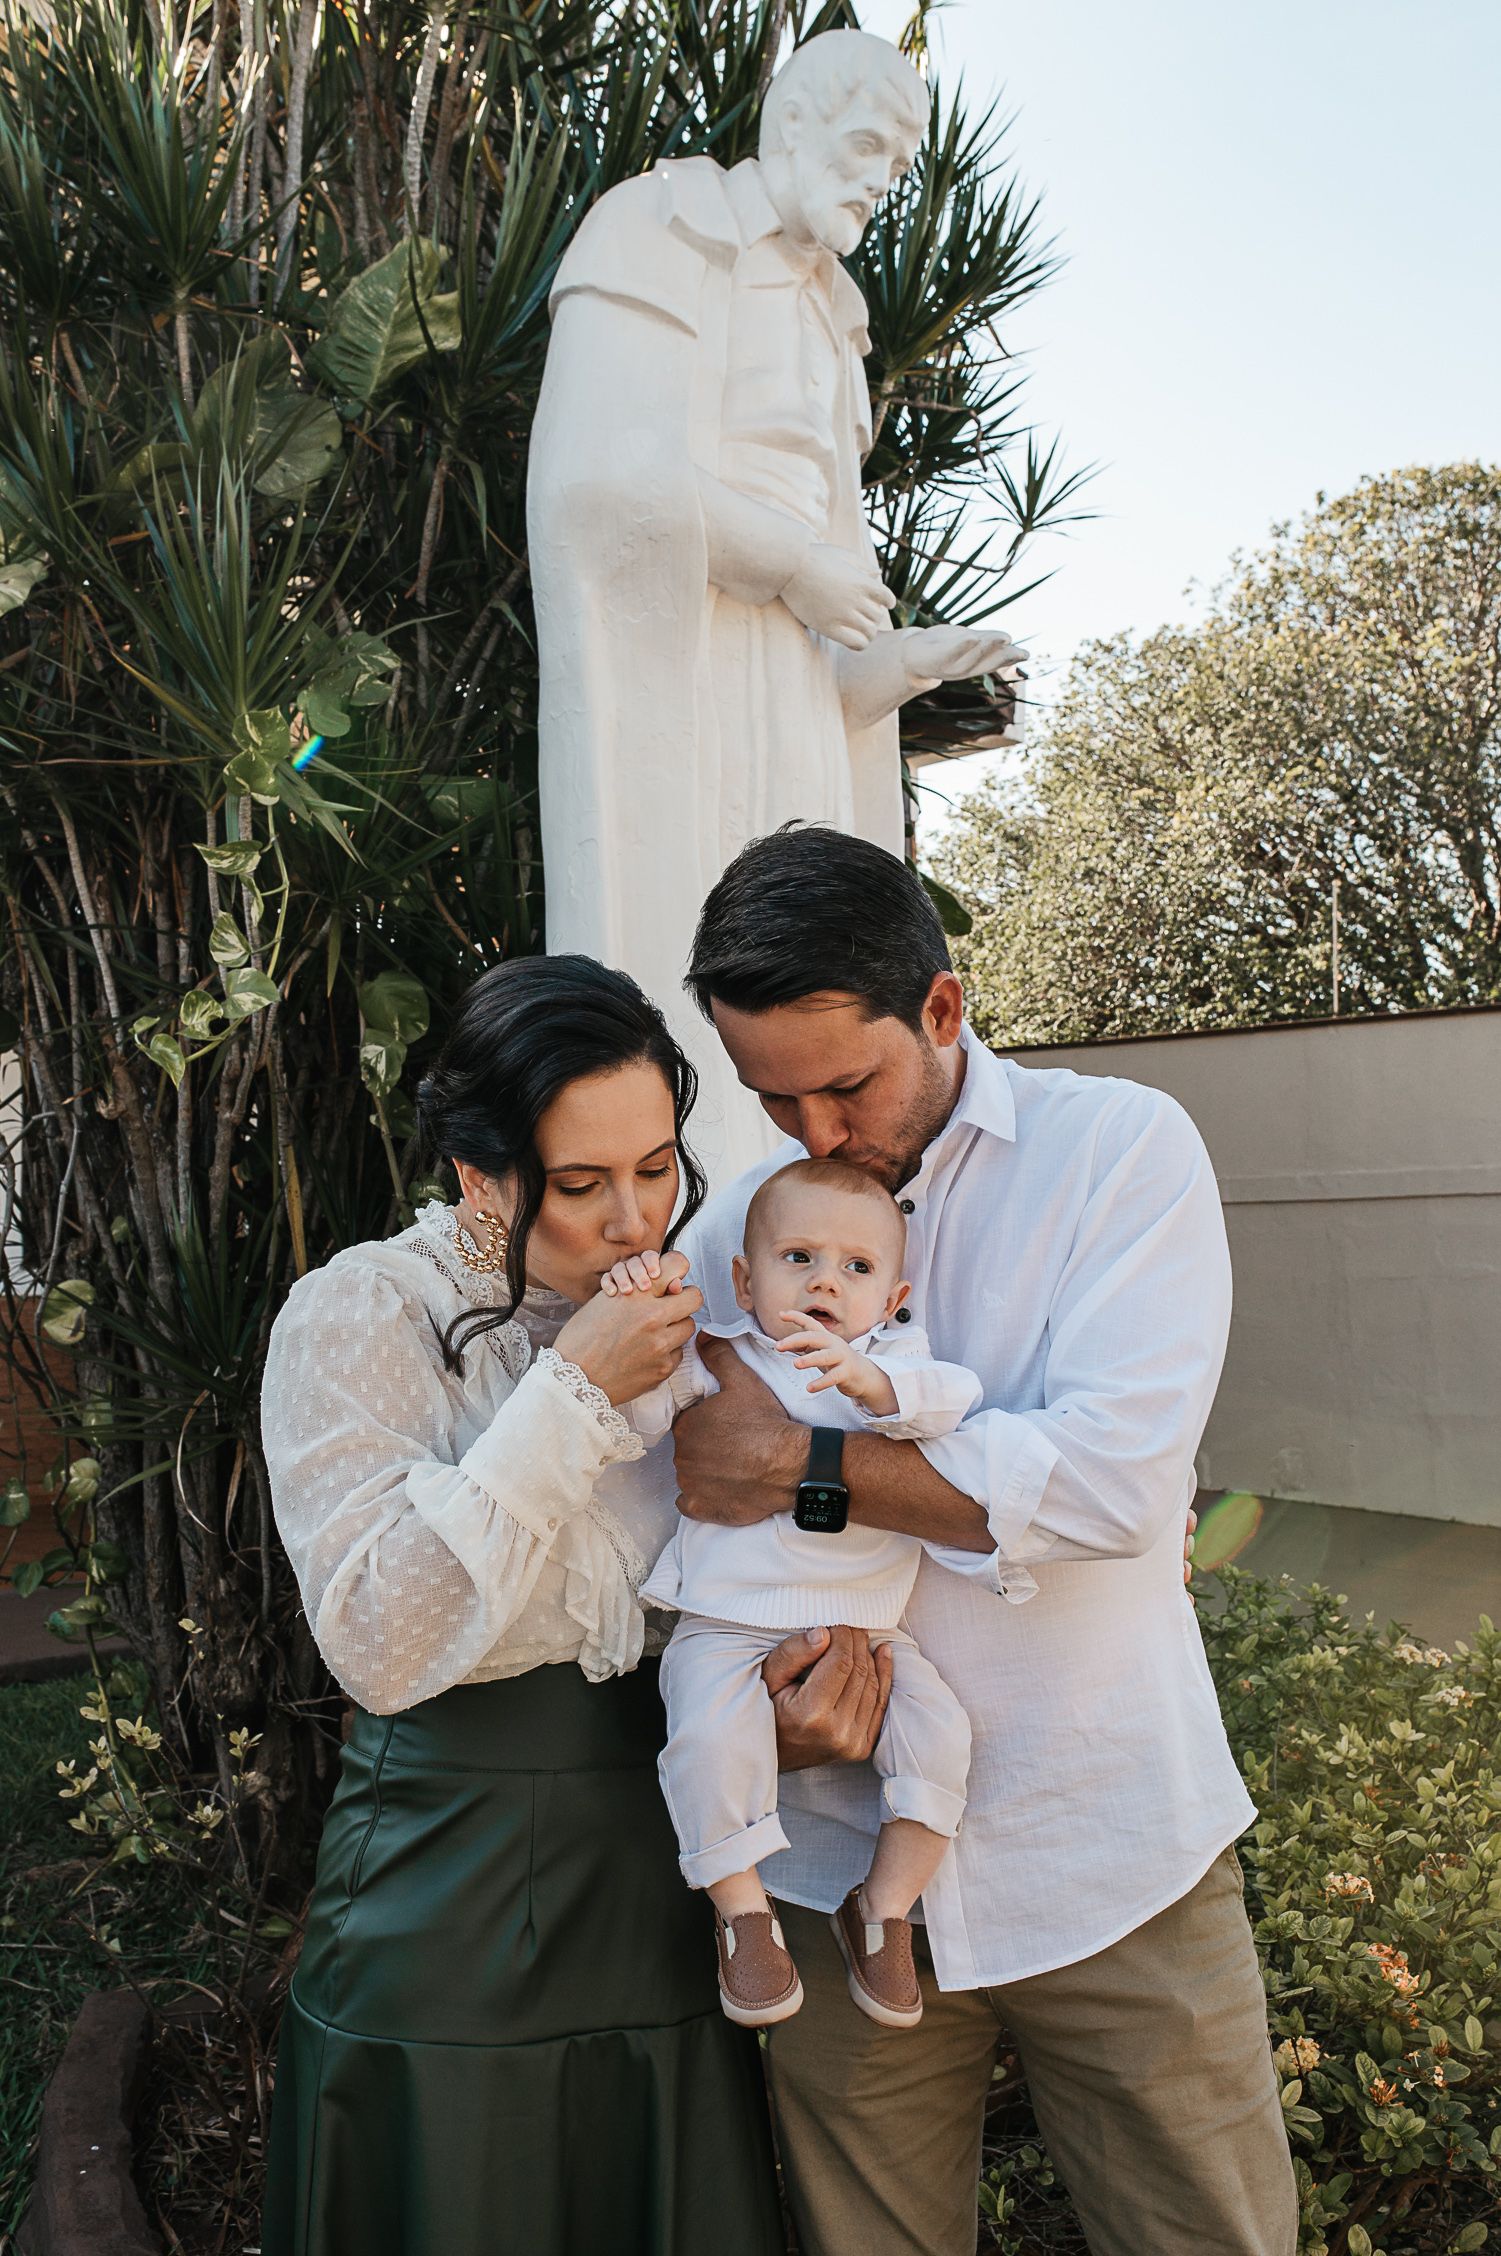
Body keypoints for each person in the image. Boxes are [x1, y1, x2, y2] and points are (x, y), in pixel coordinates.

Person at [646, 824, 1301, 2256]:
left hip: (1109, 1844)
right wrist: (752, 1701)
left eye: (844, 1085)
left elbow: (1117, 1491)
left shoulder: (1120, 1151)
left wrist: (807, 1466)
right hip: (830, 1861)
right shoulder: (736, 1234)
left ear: (942, 1008)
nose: (815, 1135)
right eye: (772, 1098)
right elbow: (679, 1481)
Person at [256, 956, 788, 2256]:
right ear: (479, 1175)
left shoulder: (698, 1318)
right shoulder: (365, 1312)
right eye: (581, 1183)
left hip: (665, 1881)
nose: (633, 1219)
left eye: (655, 1168)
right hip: (445, 1887)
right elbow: (377, 1639)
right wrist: (573, 1394)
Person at [528, 28, 1025, 1177]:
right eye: (863, 146)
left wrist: (890, 668)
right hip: (677, 679)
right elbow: (596, 480)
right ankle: (682, 1211)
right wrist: (790, 561)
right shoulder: (657, 230)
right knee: (678, 964)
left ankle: (811, 1229)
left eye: (895, 165)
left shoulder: (834, 319)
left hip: (796, 703)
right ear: (791, 124)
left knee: (819, 978)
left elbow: (826, 617)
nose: (877, 182)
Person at [603, 1157, 980, 2032]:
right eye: (798, 1258)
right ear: (745, 1281)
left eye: (857, 1268)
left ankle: (881, 1909)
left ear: (892, 1298)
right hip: (726, 1622)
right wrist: (633, 1308)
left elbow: (948, 1406)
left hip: (869, 1629)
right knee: (707, 1740)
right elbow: (634, 1423)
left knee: (941, 1737)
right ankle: (743, 1914)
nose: (824, 1283)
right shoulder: (717, 1356)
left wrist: (866, 1381)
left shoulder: (894, 1367)